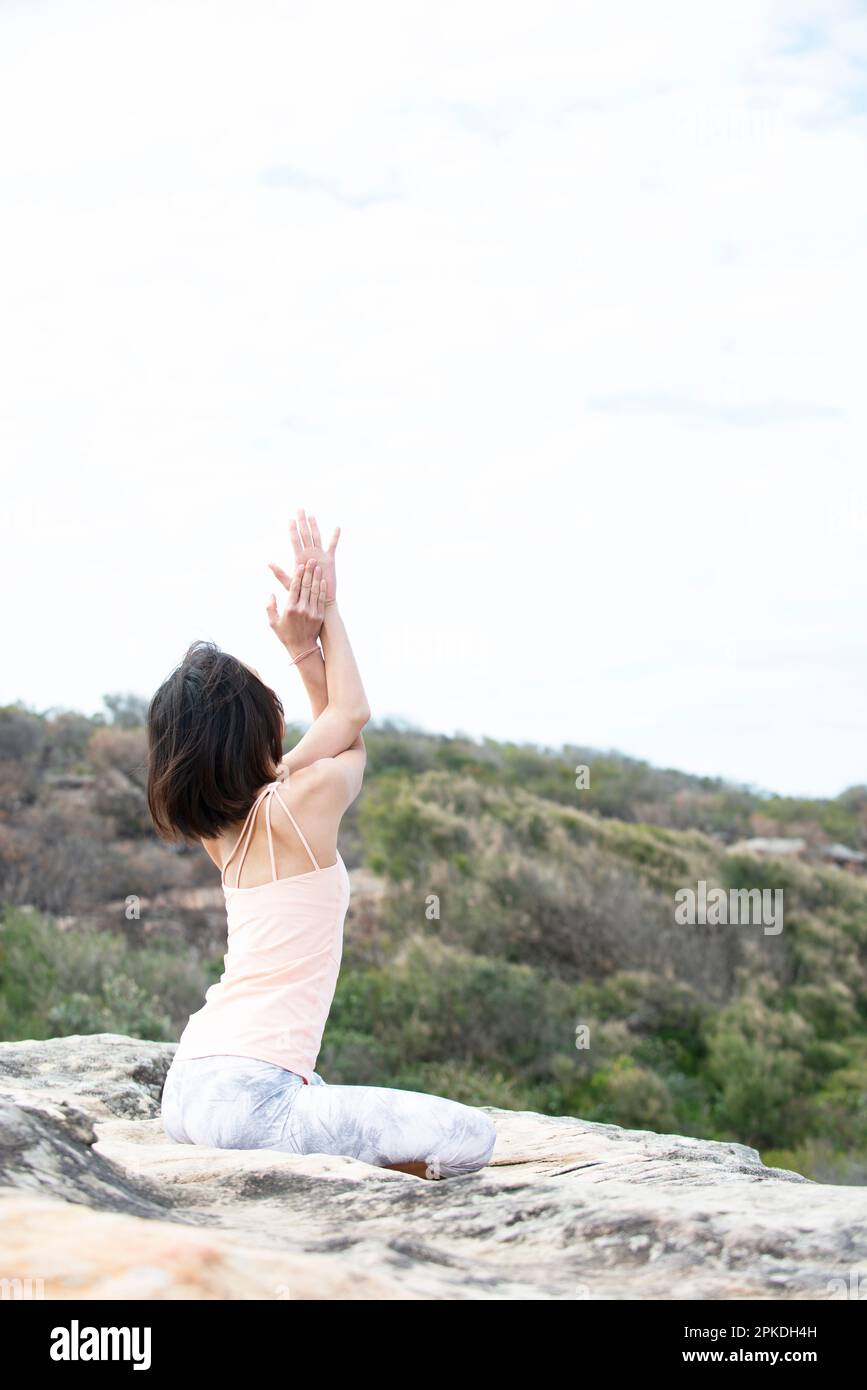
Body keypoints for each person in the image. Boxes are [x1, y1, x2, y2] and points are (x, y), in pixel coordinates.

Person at [148, 509, 496, 1179]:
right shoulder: (296, 804)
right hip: (252, 1099)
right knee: (470, 1137)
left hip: (189, 1088)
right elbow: (352, 722)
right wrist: (321, 621)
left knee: (328, 1101)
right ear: (255, 729)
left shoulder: (219, 831)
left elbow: (335, 734)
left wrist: (303, 652)